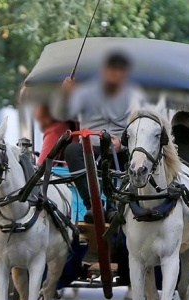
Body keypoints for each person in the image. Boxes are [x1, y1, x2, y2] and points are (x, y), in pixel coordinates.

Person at [61, 51, 147, 222]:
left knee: (137, 156)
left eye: (119, 72)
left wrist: (121, 145)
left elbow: (139, 128)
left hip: (120, 150)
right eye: (111, 71)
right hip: (90, 148)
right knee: (71, 150)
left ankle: (118, 204)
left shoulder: (135, 97)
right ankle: (93, 204)